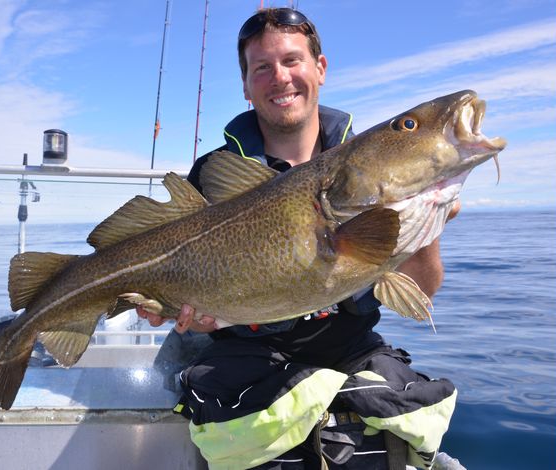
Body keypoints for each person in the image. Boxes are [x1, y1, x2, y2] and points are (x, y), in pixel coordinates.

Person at [138, 8, 458, 470]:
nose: (280, 77)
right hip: (249, 351)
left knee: (402, 410)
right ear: (247, 86)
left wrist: (428, 220)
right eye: (261, 68)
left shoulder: (368, 166)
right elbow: (197, 295)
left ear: (320, 69)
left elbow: (422, 290)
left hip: (351, 347)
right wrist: (191, 314)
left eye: (292, 61)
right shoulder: (214, 176)